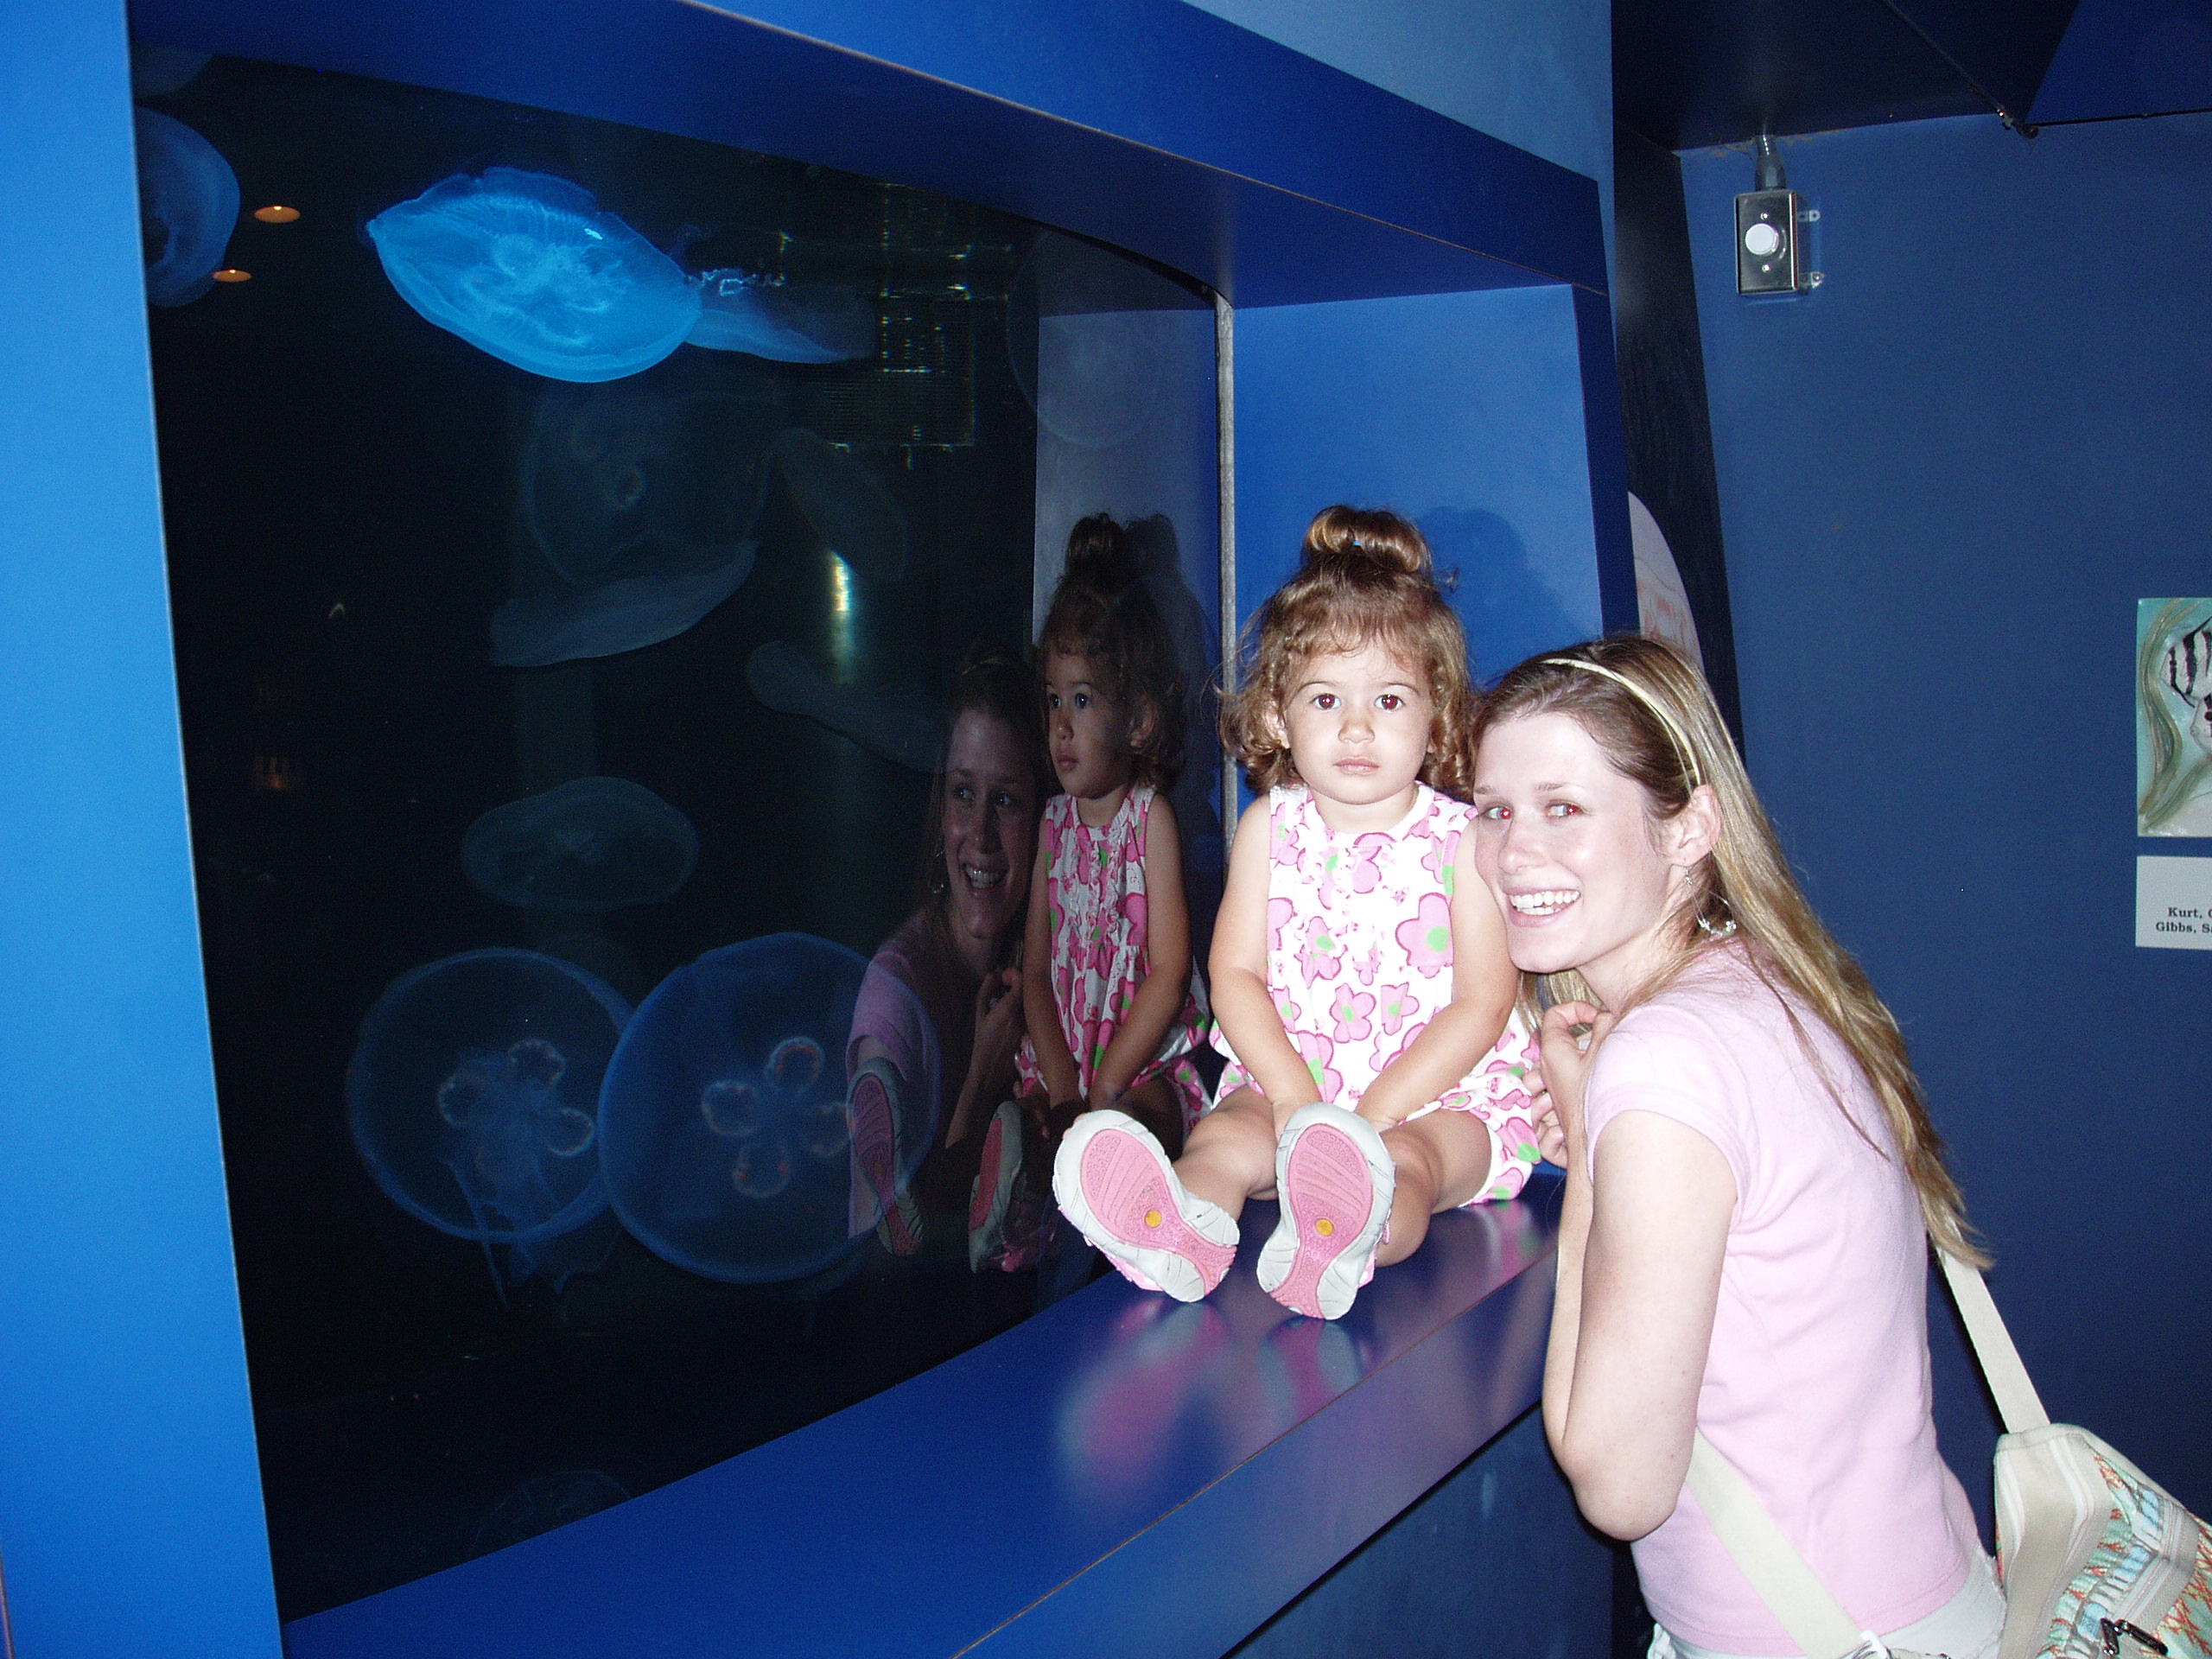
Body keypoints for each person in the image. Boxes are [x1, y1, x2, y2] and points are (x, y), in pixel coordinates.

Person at [1466, 636, 2001, 1659]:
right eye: (1494, 810)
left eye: (1563, 808)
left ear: (1689, 827)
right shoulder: (1768, 981)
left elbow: (1618, 1483)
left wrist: (1589, 1157)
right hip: (1916, 1594)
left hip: (1808, 1635)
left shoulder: (1661, 1057)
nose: (1513, 854)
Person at [1052, 505, 1540, 1320]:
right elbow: (1234, 975)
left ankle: (1346, 1233)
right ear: (1278, 713)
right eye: (1325, 699)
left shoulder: (1461, 842)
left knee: (1412, 1164)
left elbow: (1483, 1006)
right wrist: (1288, 1099)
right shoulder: (1270, 828)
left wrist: (1370, 1121)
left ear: (1437, 715)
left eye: (1390, 700)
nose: (1357, 728)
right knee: (1223, 1138)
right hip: (1290, 1082)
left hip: (1437, 1098)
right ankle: (1176, 1223)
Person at [969, 516, 1211, 1272]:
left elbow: (1169, 972)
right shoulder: (1052, 825)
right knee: (1042, 1120)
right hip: (1067, 1059)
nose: (1061, 729)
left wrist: (1106, 1085)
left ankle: (1111, 1182)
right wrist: (1064, 1084)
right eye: (1052, 701)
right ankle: (1019, 1186)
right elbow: (1037, 972)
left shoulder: (1149, 819)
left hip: (1138, 1059)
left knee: (1148, 1118)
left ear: (1137, 717)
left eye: (1082, 701)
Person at [847, 647, 1050, 1255]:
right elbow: (894, 1259)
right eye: (964, 794)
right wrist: (982, 1079)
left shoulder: (1049, 966)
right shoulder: (894, 997)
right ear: (941, 813)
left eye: (1006, 800)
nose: (980, 835)